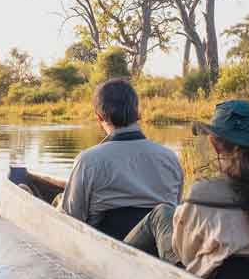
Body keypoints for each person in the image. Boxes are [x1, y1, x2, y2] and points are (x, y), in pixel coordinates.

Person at [126, 100, 249, 278]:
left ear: (215, 144)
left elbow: (185, 255)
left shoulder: (201, 196)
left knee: (161, 213)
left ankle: (117, 259)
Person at [58, 78, 183, 233]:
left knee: (59, 201)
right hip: (158, 249)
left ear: (99, 117)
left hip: (104, 248)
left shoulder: (88, 161)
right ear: (137, 112)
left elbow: (70, 219)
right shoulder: (170, 158)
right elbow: (176, 210)